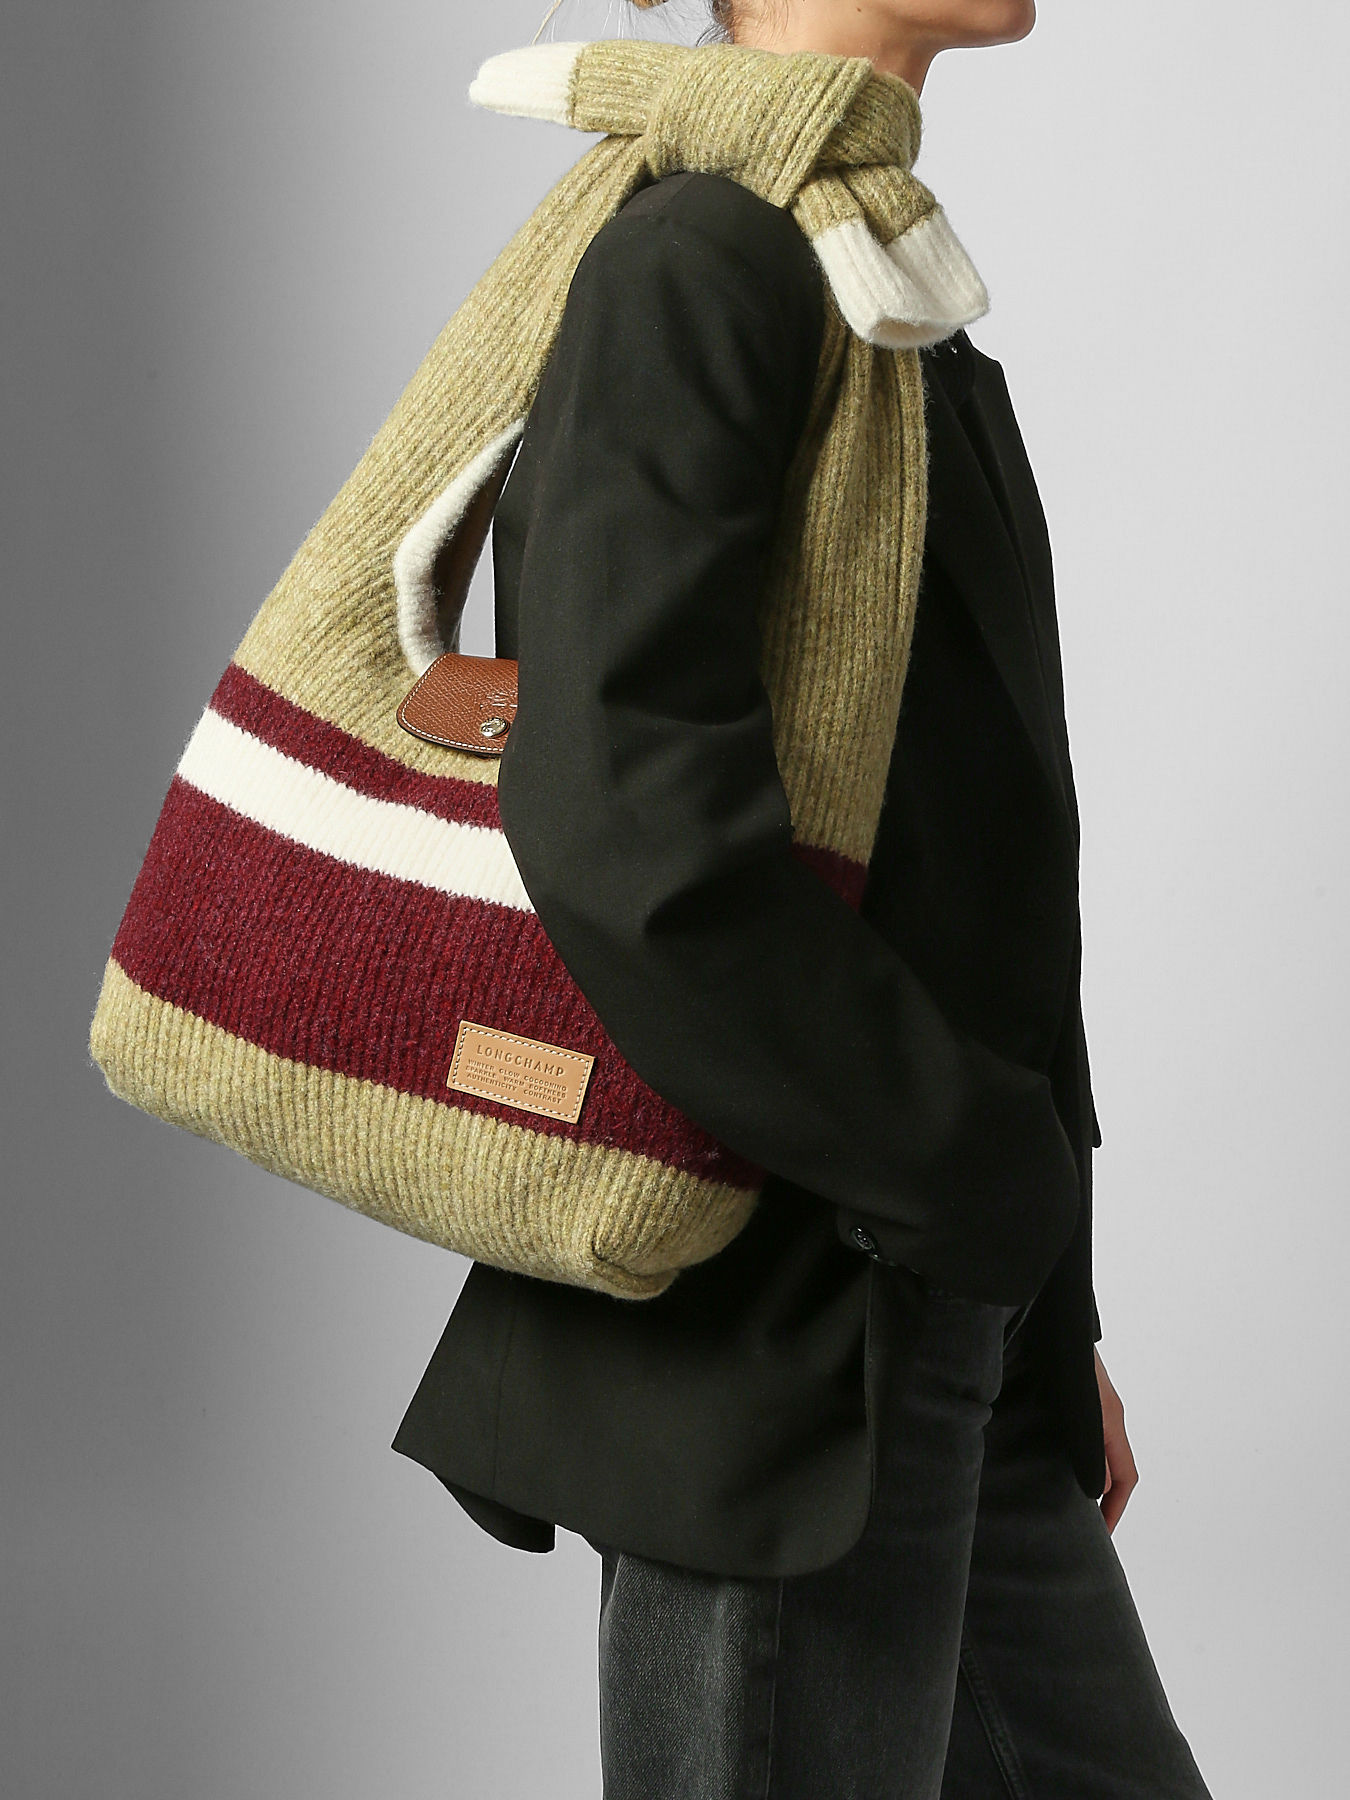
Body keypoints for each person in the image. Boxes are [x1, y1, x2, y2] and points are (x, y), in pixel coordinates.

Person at [393, 3, 1213, 1794]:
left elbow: (963, 846)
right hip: (772, 1330)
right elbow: (628, 829)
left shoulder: (867, 264)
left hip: (931, 1304)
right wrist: (973, 1183)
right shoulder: (705, 258)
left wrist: (1037, 1307)